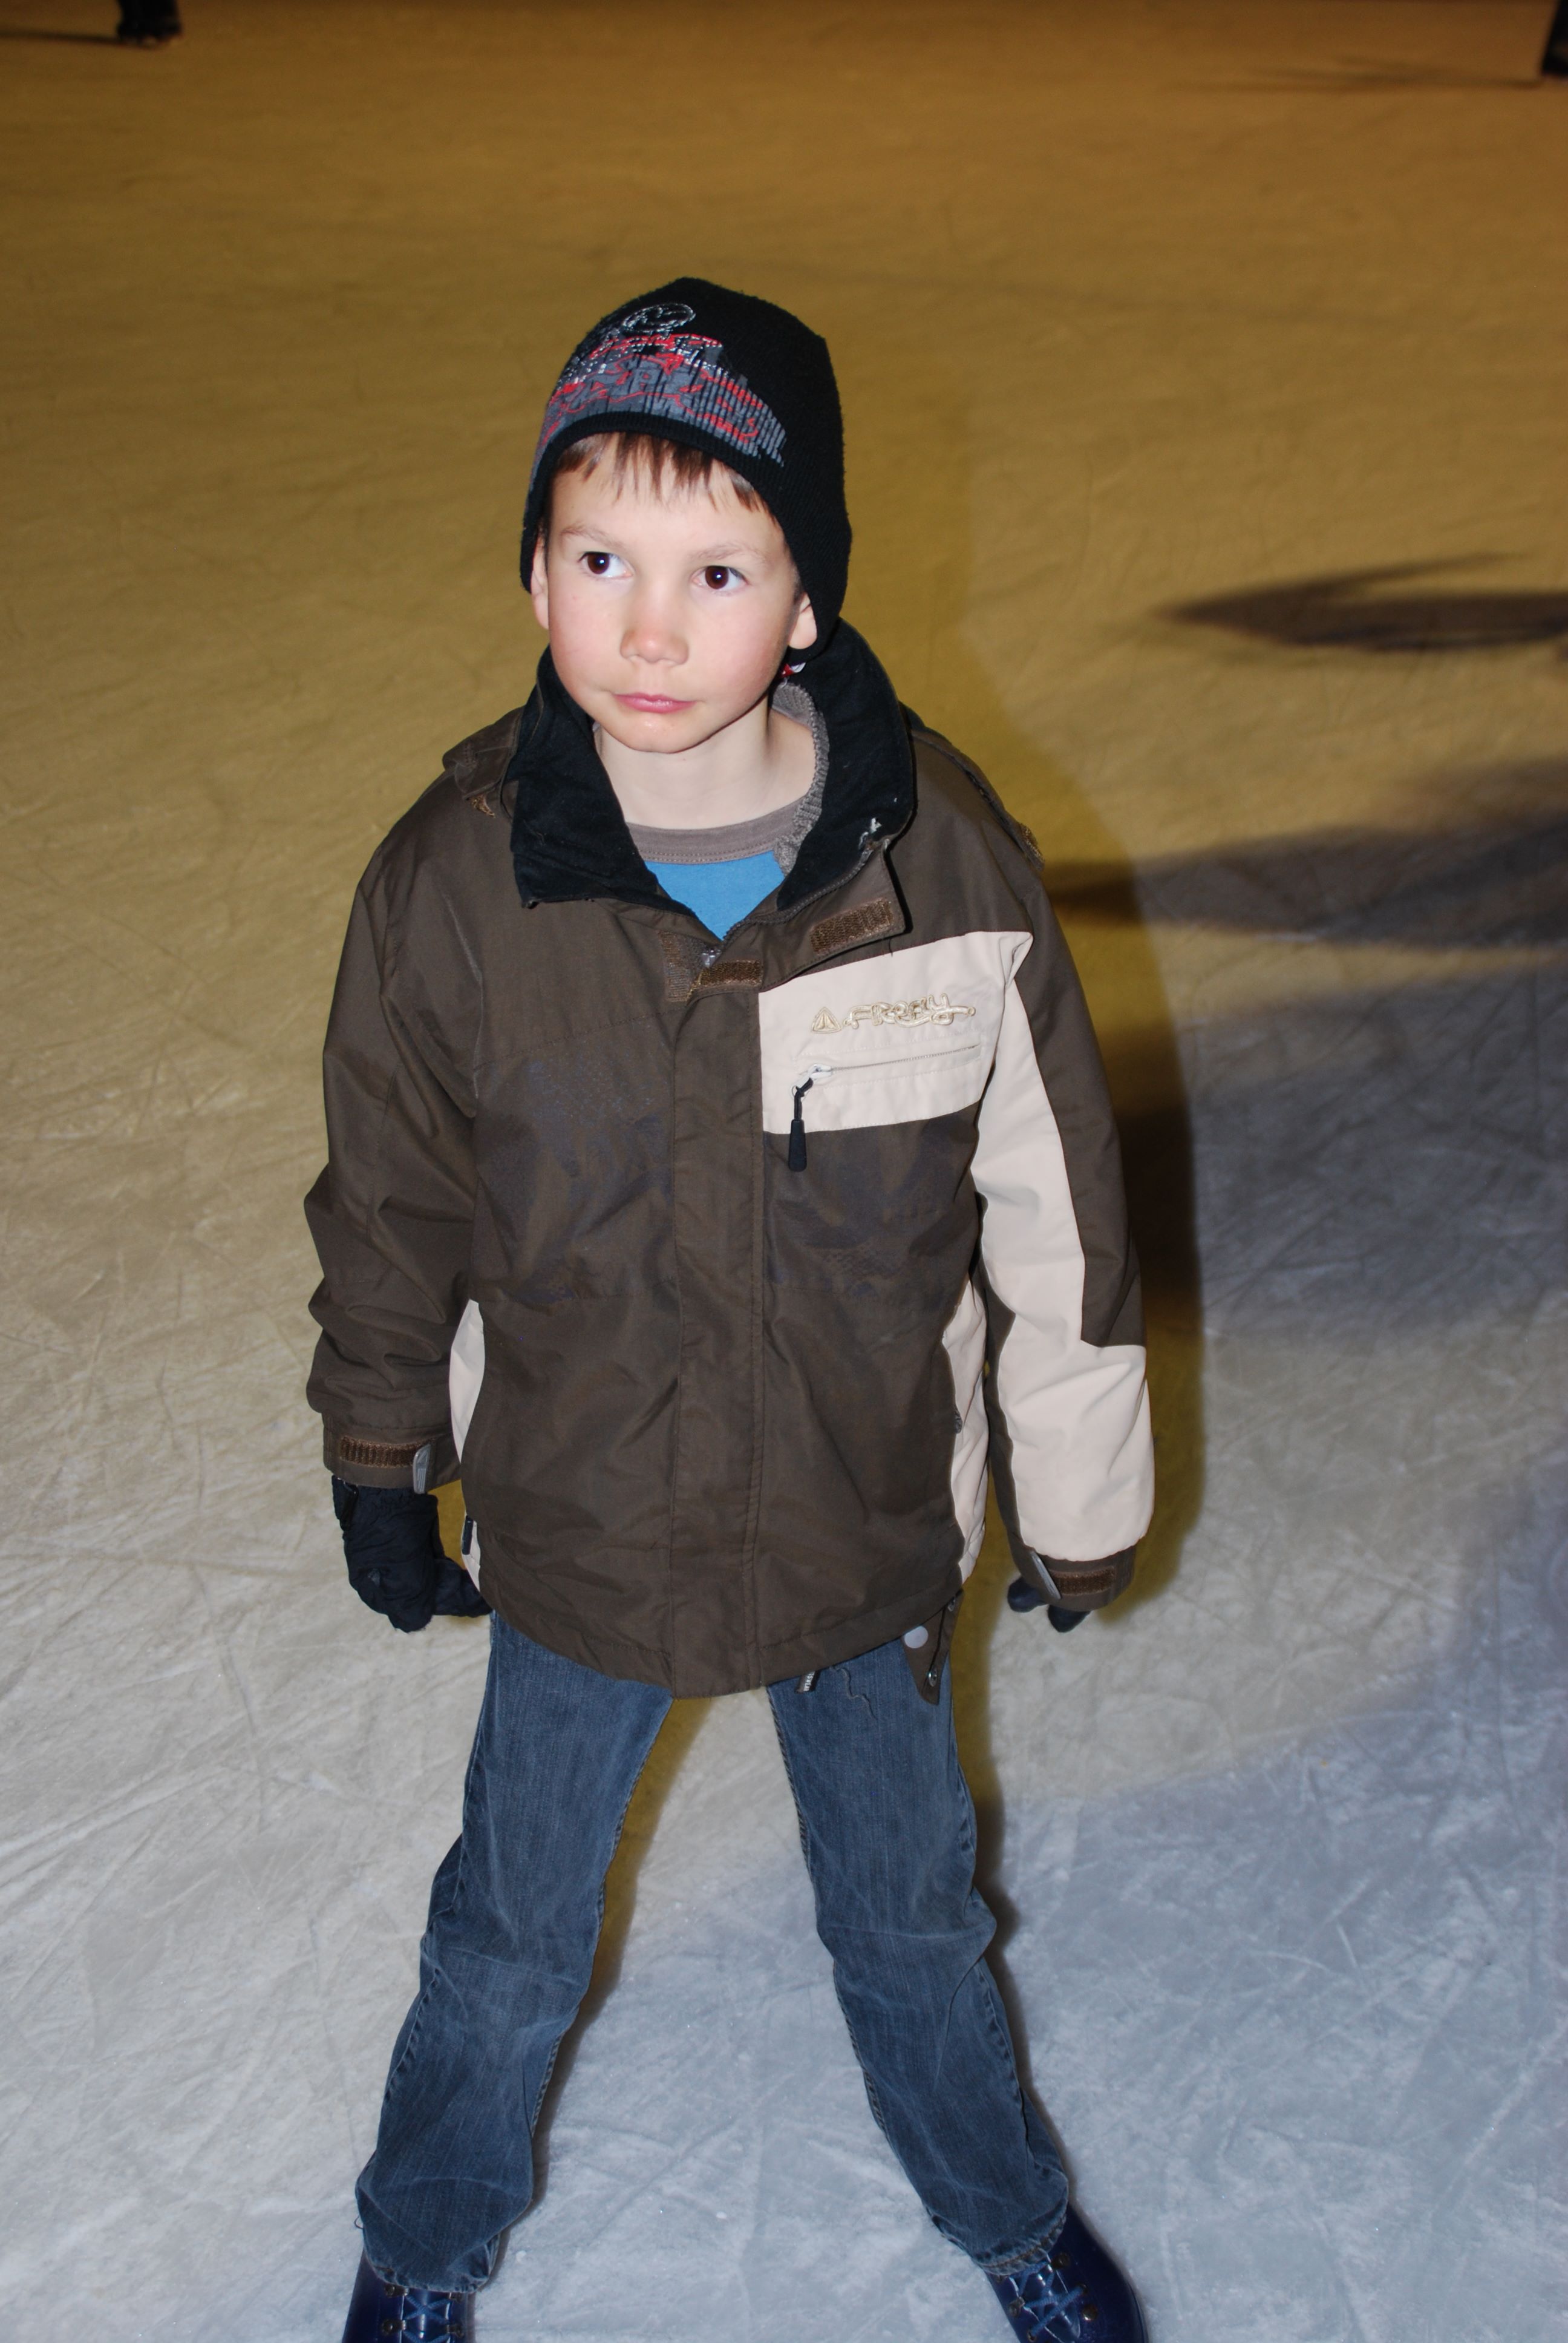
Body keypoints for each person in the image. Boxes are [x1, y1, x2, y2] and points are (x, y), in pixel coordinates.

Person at [305, 280, 1155, 2343]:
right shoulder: (454, 886)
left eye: (716, 568)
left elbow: (1054, 1200)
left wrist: (1080, 1486)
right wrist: (374, 1446)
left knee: (909, 1920)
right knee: (506, 1938)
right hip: (586, 1534)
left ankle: (1003, 2205)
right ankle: (423, 2241)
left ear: (807, 602)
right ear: (533, 568)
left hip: (857, 1532)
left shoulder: (935, 865)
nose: (651, 628)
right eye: (600, 558)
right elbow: (393, 1196)